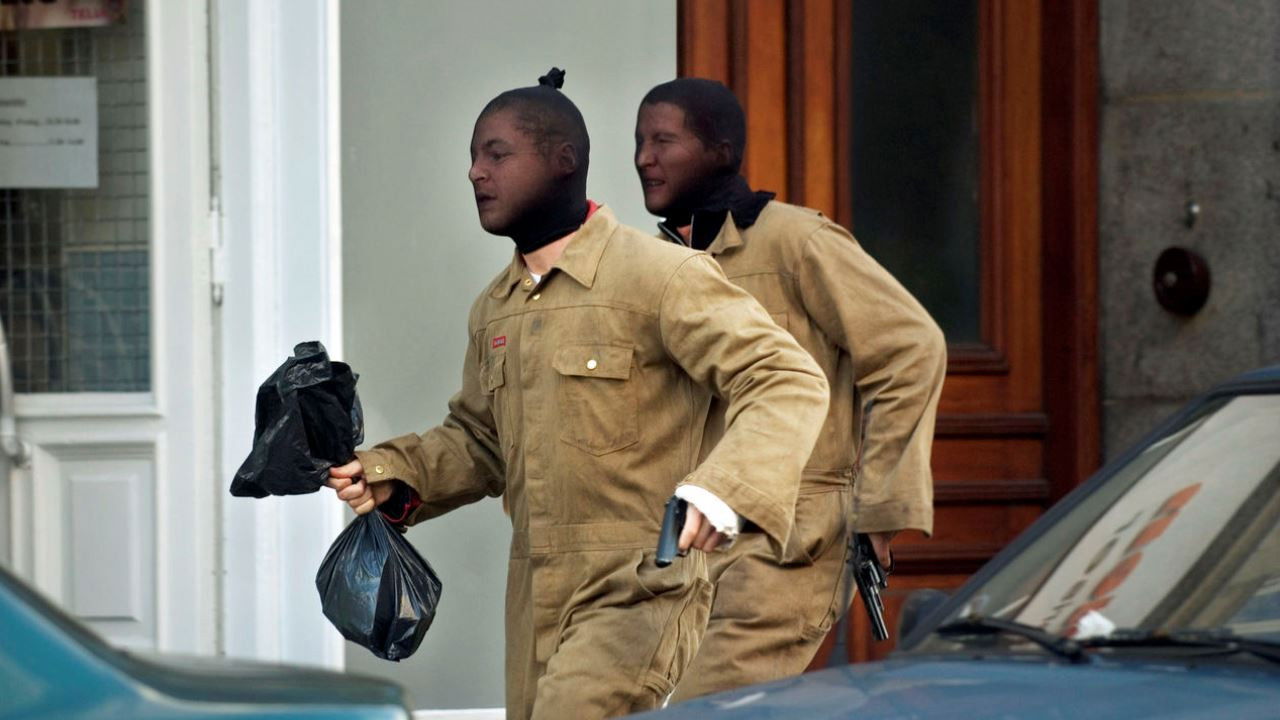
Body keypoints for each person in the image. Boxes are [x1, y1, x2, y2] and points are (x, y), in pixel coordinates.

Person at [326, 69, 830, 720]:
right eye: (473, 157)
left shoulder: (661, 276)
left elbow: (785, 376)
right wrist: (391, 474)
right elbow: (480, 440)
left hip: (639, 584)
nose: (476, 172)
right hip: (533, 587)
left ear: (563, 161)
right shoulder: (495, 308)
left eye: (497, 154)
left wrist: (724, 489)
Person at [634, 77, 947, 701]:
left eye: (663, 141)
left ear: (721, 151)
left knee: (711, 708)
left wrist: (881, 509)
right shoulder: (656, 263)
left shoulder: (797, 242)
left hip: (789, 543)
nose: (644, 158)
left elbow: (911, 348)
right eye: (639, 142)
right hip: (683, 541)